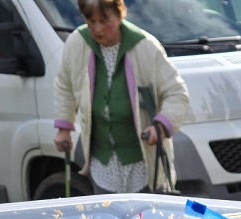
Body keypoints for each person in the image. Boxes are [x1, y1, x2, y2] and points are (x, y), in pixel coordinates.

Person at [52, 0, 190, 194]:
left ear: (119, 15)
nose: (97, 29)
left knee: (145, 214)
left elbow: (176, 92)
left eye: (104, 21)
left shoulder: (146, 46)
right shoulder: (77, 43)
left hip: (142, 165)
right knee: (108, 212)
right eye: (91, 21)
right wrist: (64, 128)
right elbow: (64, 85)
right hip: (102, 165)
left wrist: (160, 127)